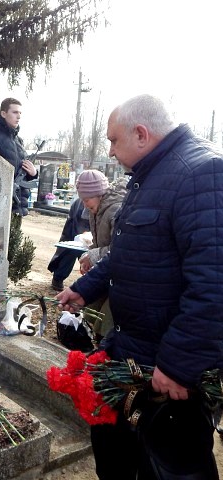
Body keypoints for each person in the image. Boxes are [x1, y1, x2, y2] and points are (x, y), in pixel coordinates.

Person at [56, 94, 222, 479]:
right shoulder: (150, 177)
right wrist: (86, 287)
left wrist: (178, 365)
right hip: (131, 351)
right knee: (116, 456)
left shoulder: (201, 173)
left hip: (165, 370)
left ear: (142, 135)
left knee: (164, 465)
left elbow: (214, 285)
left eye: (114, 140)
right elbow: (127, 252)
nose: (110, 151)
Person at [75, 169, 127, 341]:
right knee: (91, 312)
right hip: (107, 273)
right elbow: (99, 243)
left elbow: (121, 249)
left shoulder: (115, 210)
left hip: (121, 278)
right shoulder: (96, 210)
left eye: (87, 199)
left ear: (99, 194)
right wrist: (90, 257)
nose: (85, 205)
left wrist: (94, 255)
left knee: (105, 322)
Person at [0, 98, 38, 216]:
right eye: (15, 112)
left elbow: (22, 173)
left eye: (20, 113)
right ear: (3, 113)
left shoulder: (19, 141)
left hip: (19, 208)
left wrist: (33, 173)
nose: (19, 116)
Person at [47, 197, 90, 292]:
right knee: (70, 249)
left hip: (93, 230)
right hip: (77, 229)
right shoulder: (80, 203)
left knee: (92, 255)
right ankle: (58, 277)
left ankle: (91, 282)